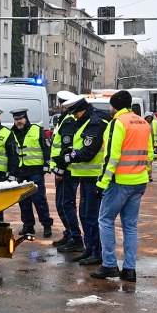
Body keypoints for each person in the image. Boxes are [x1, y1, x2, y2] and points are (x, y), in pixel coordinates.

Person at [91, 91, 154, 282]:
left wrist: (101, 183)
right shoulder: (143, 123)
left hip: (119, 182)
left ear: (114, 106)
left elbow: (112, 156)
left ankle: (109, 265)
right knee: (130, 226)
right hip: (139, 181)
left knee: (105, 220)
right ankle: (129, 269)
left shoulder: (117, 123)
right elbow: (149, 154)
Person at [55, 95, 107, 265]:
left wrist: (66, 159)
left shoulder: (94, 122)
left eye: (76, 113)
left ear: (81, 110)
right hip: (84, 177)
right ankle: (90, 249)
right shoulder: (84, 121)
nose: (74, 117)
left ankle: (97, 252)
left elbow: (88, 151)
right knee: (84, 214)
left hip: (94, 177)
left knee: (92, 216)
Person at [10, 108, 53, 239]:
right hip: (20, 172)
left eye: (21, 119)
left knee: (39, 200)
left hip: (35, 171)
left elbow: (47, 149)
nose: (18, 122)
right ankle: (28, 226)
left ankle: (46, 225)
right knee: (23, 201)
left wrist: (47, 165)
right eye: (16, 119)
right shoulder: (11, 133)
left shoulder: (37, 130)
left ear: (26, 118)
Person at [49, 90, 80, 248]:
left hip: (65, 170)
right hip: (65, 169)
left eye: (61, 103)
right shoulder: (65, 119)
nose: (59, 105)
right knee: (65, 204)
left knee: (64, 204)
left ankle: (75, 237)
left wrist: (60, 170)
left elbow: (66, 148)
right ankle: (70, 234)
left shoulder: (68, 121)